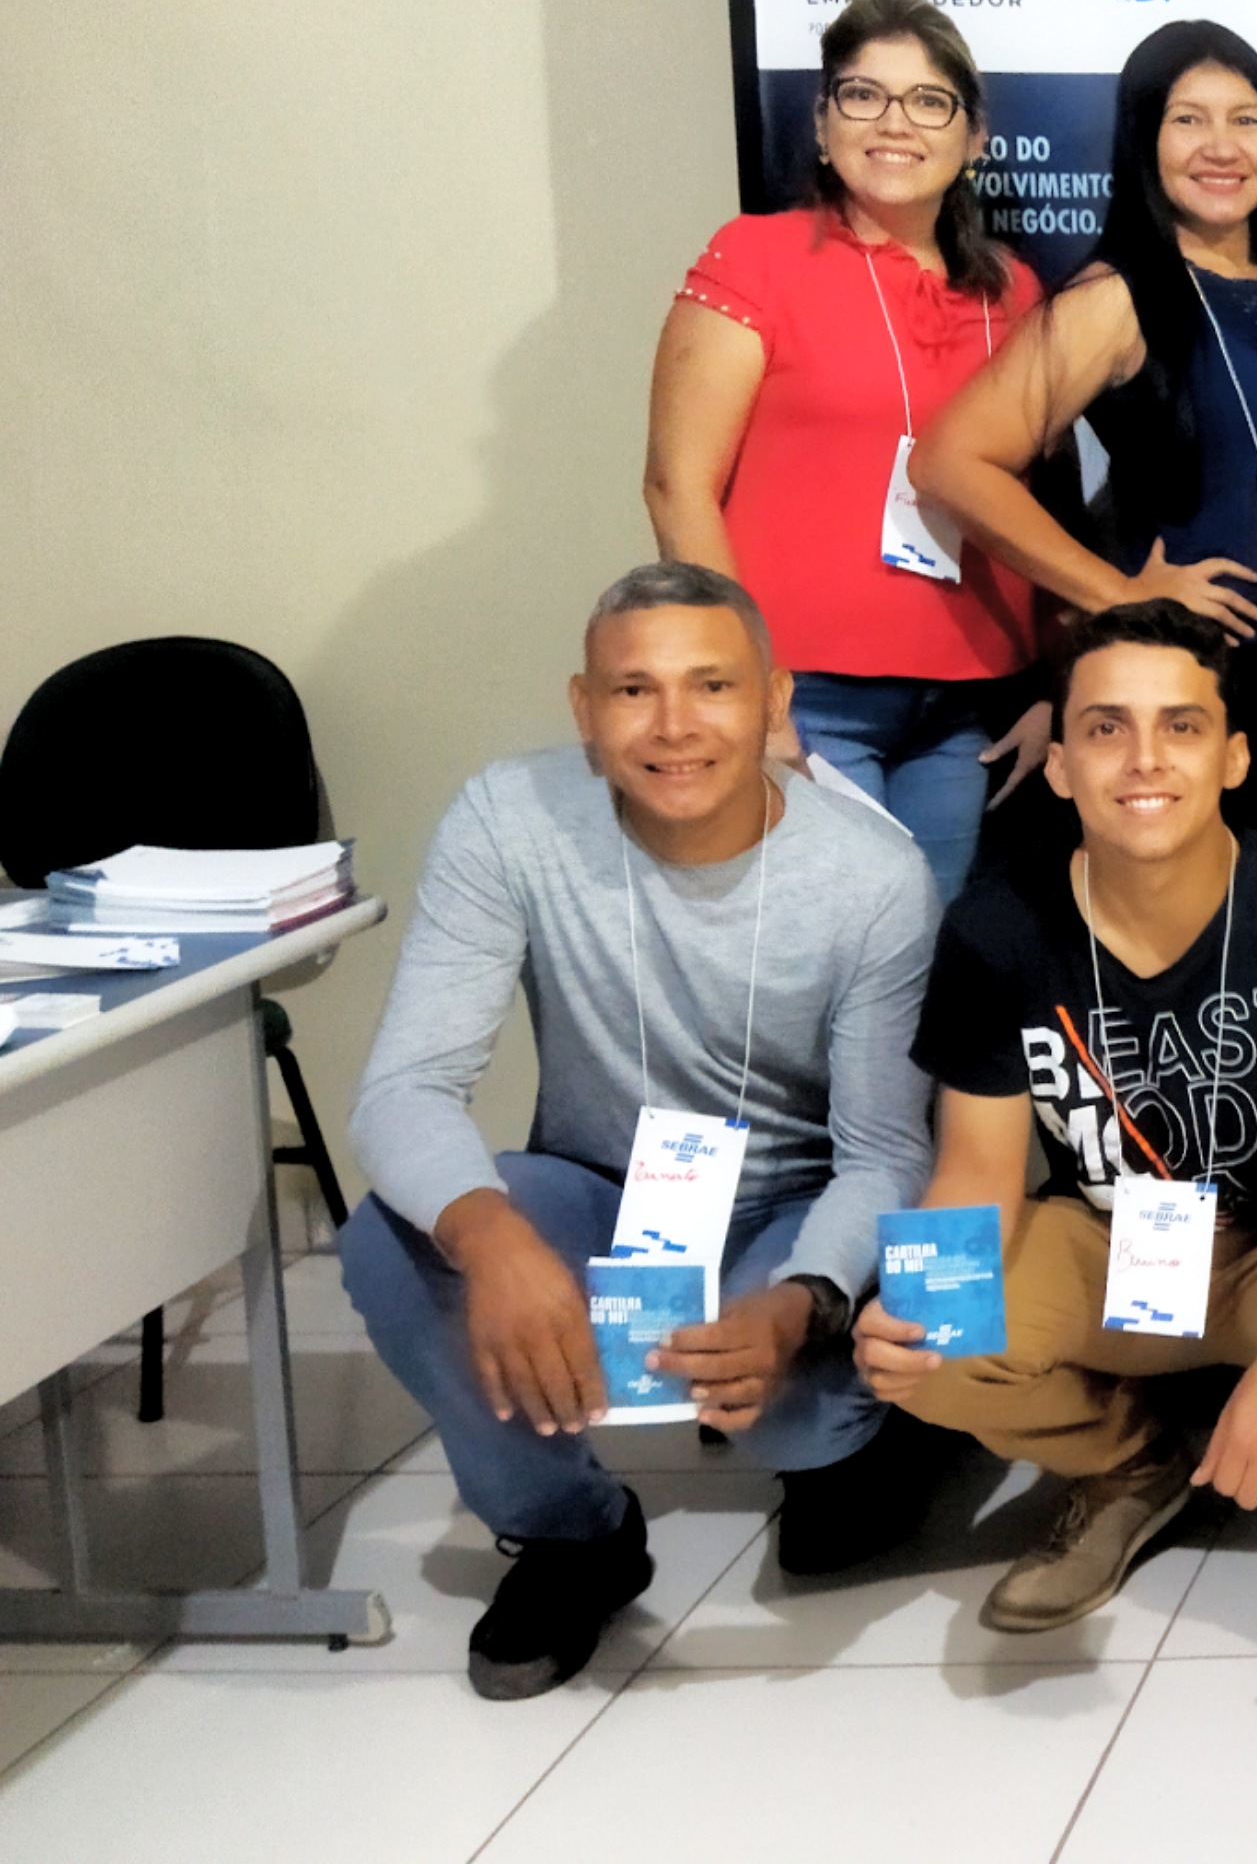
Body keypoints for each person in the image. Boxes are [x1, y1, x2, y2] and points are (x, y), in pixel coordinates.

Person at [341, 563, 944, 1699]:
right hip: (597, 1182)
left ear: (776, 701)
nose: (674, 726)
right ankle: (574, 1536)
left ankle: (875, 1440)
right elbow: (405, 1088)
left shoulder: (873, 876)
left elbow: (884, 1154)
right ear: (584, 709)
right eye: (633, 692)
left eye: (713, 686)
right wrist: (494, 1238)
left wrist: (801, 1298)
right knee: (391, 1240)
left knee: (798, 1431)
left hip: (790, 1206)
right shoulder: (507, 819)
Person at [854, 600, 1257, 1633]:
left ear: (1234, 758)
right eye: (1107, 728)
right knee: (930, 1353)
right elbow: (978, 1168)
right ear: (1061, 762)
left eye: (1182, 726)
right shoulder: (997, 927)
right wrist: (922, 1299)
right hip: (1106, 1243)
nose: (1143, 758)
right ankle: (1130, 1463)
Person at [912, 19, 1257, 891]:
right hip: (1204, 685)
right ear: (1145, 140)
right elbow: (951, 463)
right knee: (1219, 962)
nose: (1221, 146)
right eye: (1188, 120)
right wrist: (1118, 596)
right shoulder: (1115, 295)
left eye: (1244, 119)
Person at [642, 0, 1052, 896]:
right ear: (824, 124)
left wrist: (1046, 680)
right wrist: (739, 689)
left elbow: (1035, 501)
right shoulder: (755, 257)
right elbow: (678, 486)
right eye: (863, 95)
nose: (894, 122)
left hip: (970, 703)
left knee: (925, 968)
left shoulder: (1014, 291)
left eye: (928, 100)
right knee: (831, 954)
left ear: (974, 138)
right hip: (807, 691)